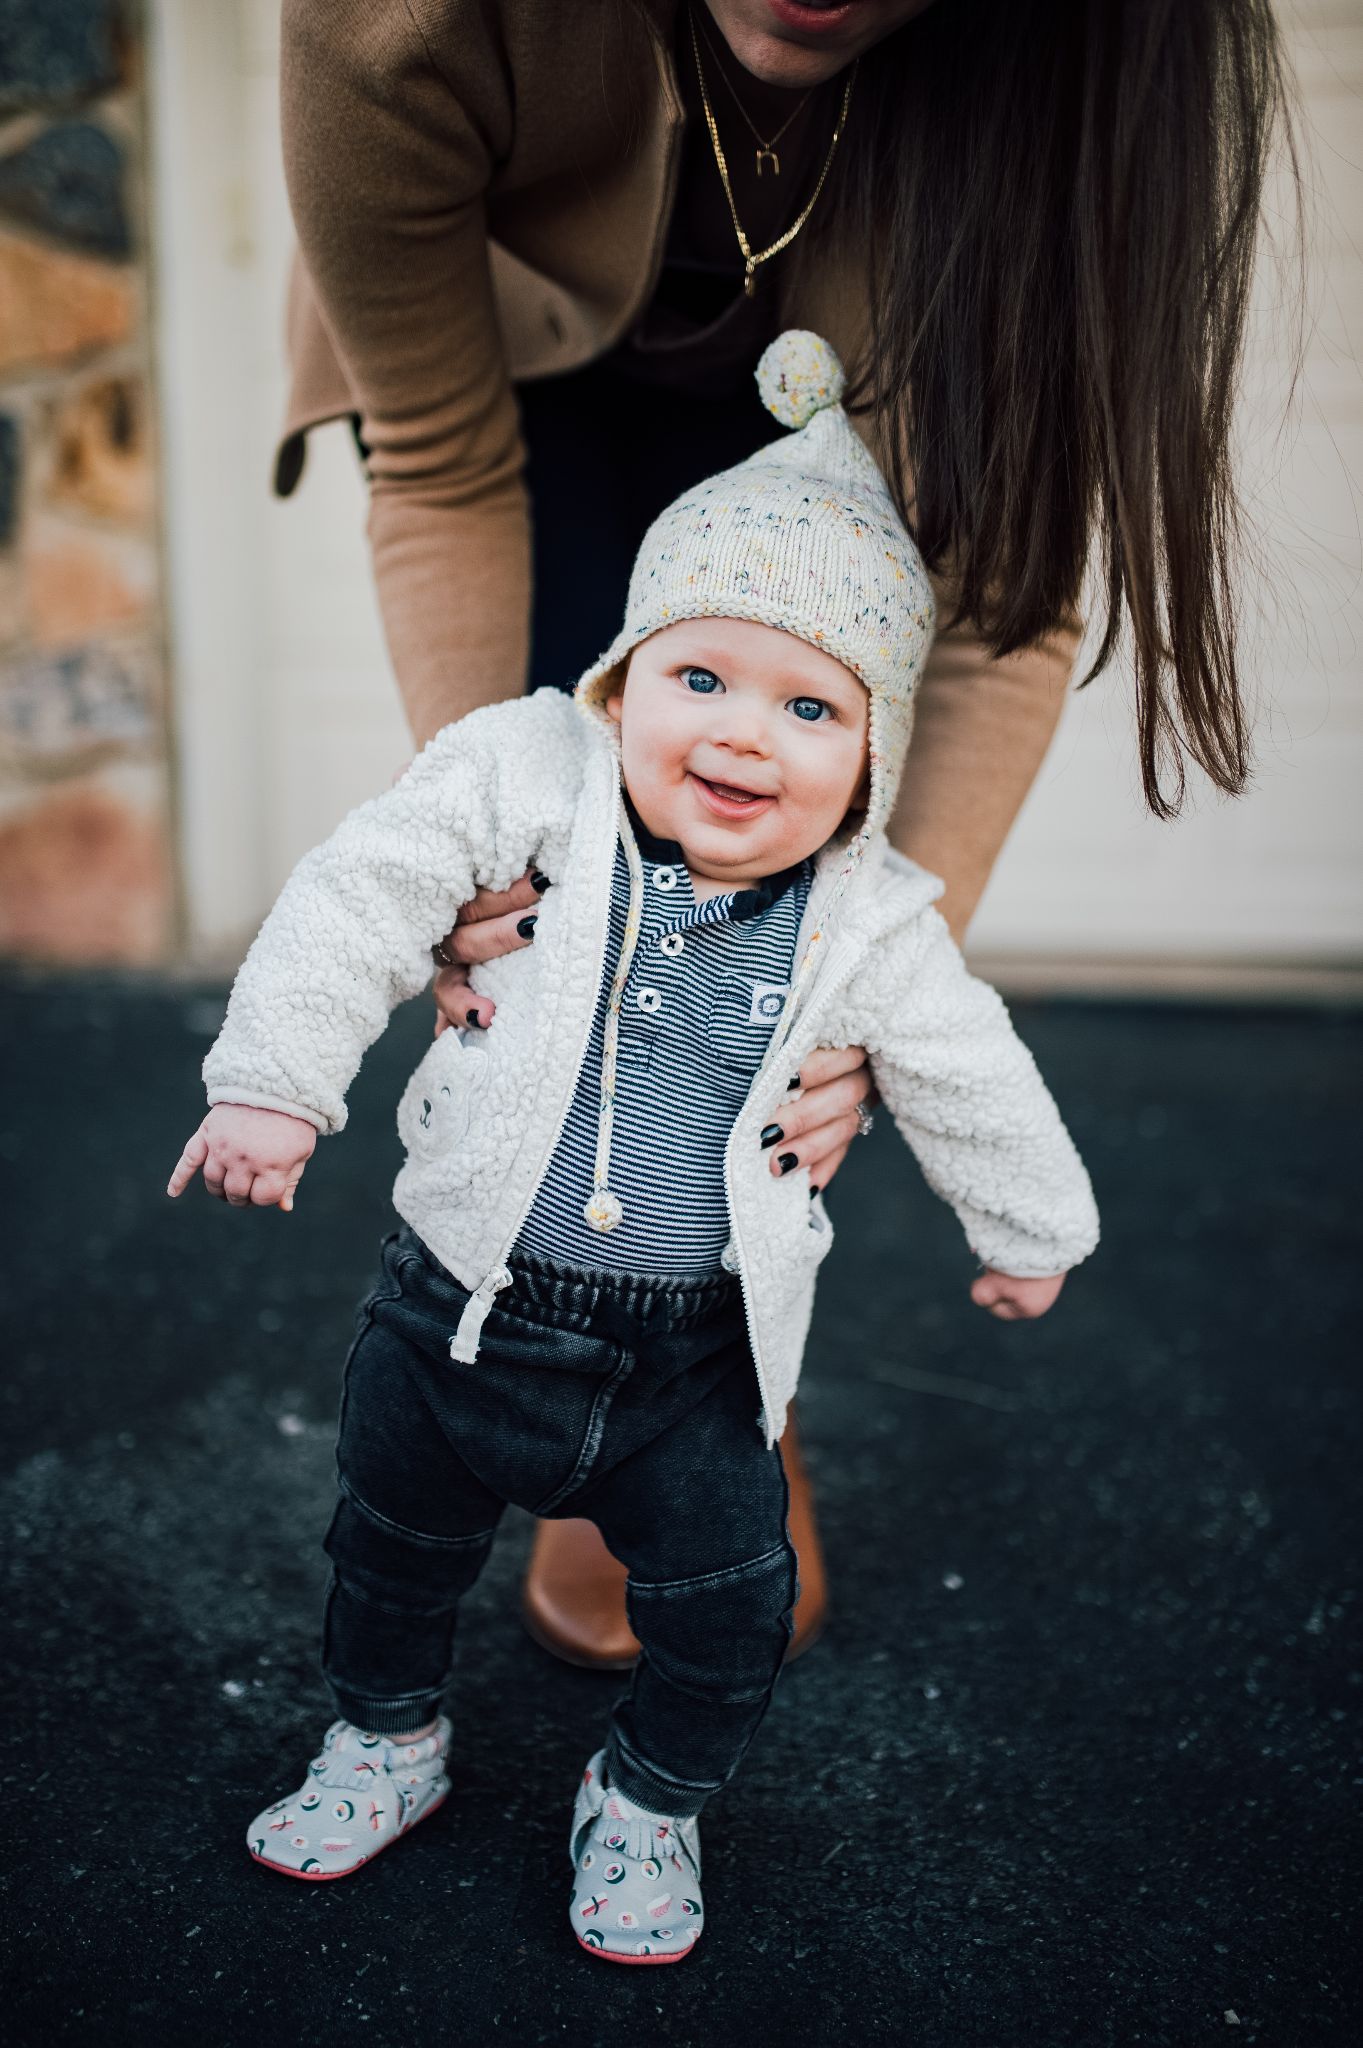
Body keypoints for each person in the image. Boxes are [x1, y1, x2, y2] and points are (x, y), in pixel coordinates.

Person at [273, 0, 1290, 1663]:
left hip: (863, 406)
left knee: (773, 922)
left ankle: (709, 1365)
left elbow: (1008, 601)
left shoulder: (1072, 78)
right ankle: (527, 1326)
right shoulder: (401, 24)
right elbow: (446, 475)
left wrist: (872, 965)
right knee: (586, 875)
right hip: (514, 378)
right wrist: (485, 854)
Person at [170, 332, 1099, 1961]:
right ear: (620, 687)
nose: (743, 734)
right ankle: (388, 1738)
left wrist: (1029, 1225)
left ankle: (650, 1801)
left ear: (875, 754)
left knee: (728, 1609)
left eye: (811, 705)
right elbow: (360, 889)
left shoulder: (871, 917)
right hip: (456, 1309)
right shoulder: (524, 777)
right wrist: (274, 1080)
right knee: (388, 1553)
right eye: (699, 679)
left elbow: (972, 1066)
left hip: (693, 1365)